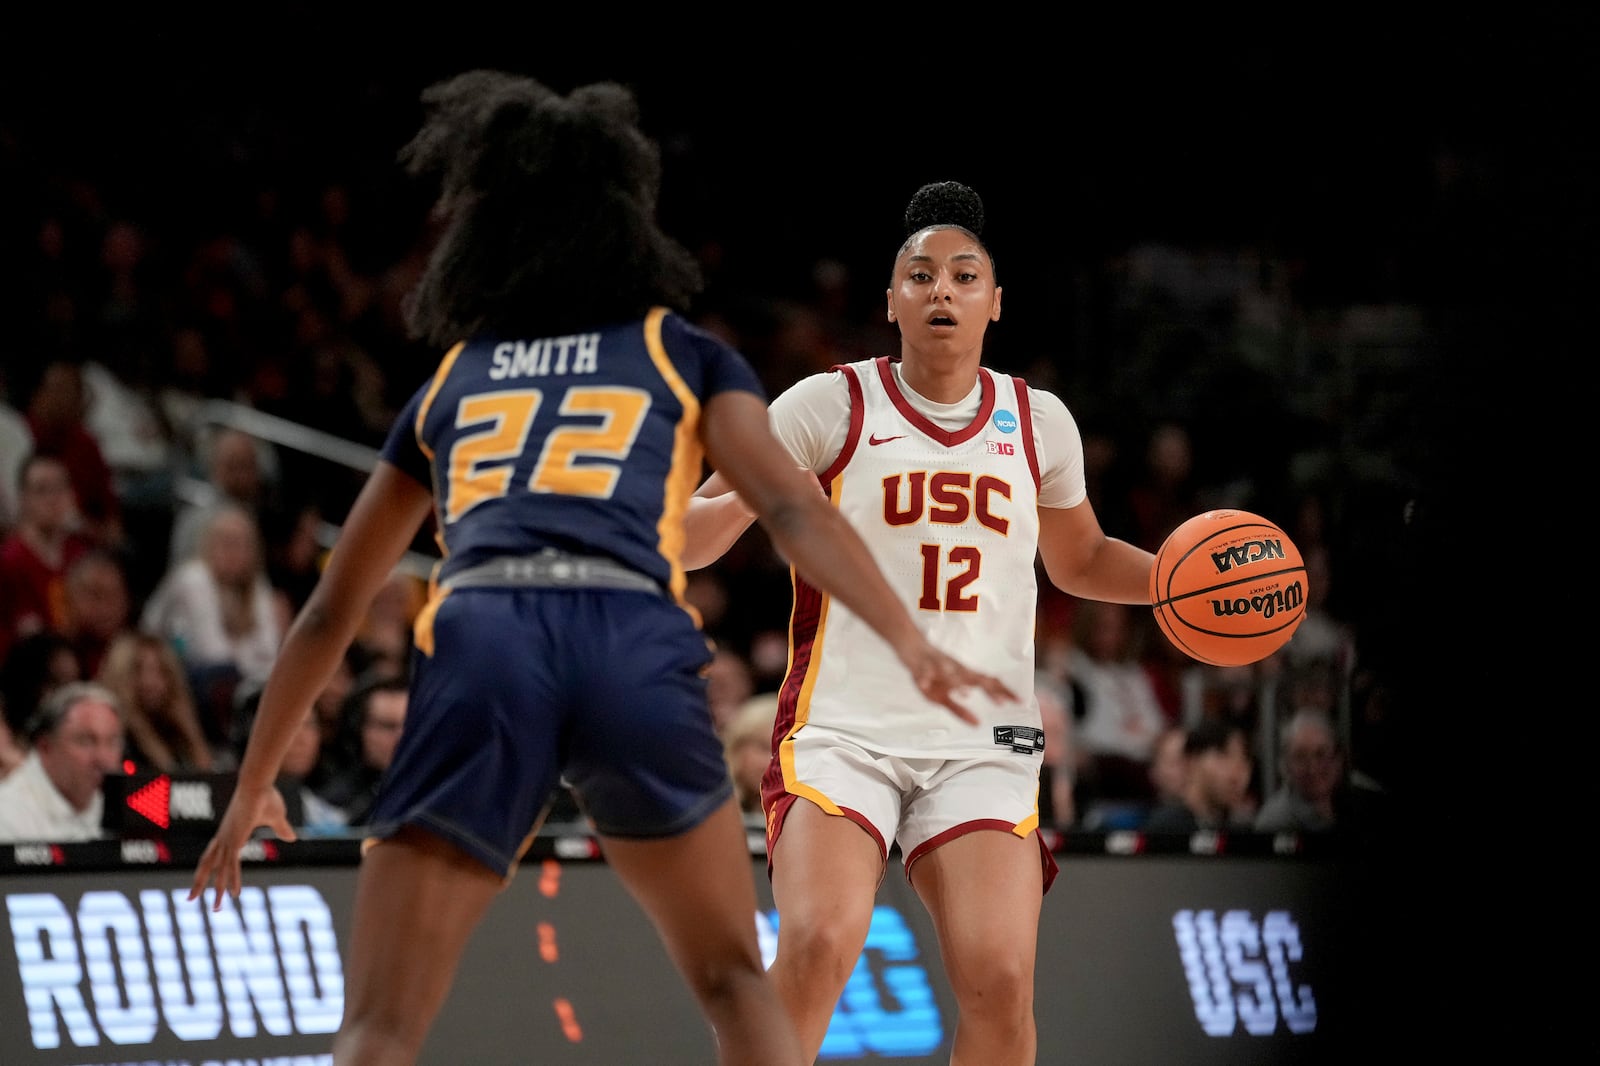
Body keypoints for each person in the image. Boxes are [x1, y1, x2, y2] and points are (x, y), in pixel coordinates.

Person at [189, 72, 1011, 1066]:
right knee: (731, 982)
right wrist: (908, 636)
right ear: (629, 225)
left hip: (486, 632)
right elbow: (792, 506)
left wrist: (249, 790)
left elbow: (331, 607)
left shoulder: (461, 371)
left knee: (378, 1028)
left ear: (483, 234)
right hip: (630, 633)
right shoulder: (679, 351)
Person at [684, 180, 1157, 1066]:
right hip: (845, 729)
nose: (943, 291)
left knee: (1002, 982)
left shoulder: (1037, 421)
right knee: (822, 944)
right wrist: (640, 528)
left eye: (964, 275)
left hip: (983, 738)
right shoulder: (830, 405)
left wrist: (1172, 583)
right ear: (891, 298)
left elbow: (1081, 560)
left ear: (995, 301)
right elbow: (710, 526)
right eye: (922, 274)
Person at [0, 681, 125, 843]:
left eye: (112, 742)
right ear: (45, 747)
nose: (103, 758)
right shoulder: (7, 813)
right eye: (85, 741)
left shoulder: (124, 807)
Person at [96, 630, 220, 773]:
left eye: (160, 671)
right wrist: (141, 730)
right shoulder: (112, 739)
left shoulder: (175, 730)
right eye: (137, 670)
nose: (151, 683)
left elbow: (209, 784)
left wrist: (192, 734)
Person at [1255, 706, 1387, 838]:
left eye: (1321, 754)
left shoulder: (1370, 800)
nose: (1312, 768)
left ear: (1339, 758)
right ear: (1286, 765)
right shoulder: (1273, 821)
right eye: (1300, 756)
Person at [1141, 717, 1254, 834]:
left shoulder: (1241, 826)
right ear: (1192, 760)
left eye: (1244, 760)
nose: (1236, 774)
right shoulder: (1168, 827)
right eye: (1223, 756)